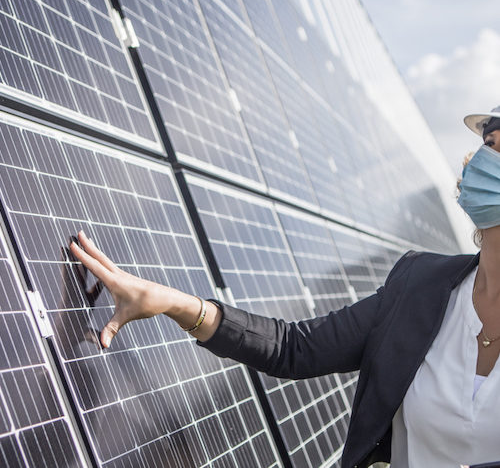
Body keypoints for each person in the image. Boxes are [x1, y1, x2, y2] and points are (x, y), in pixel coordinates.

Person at [70, 106, 500, 468]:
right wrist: (176, 303)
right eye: (489, 143)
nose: (485, 155)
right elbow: (294, 348)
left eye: (499, 145)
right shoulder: (420, 284)